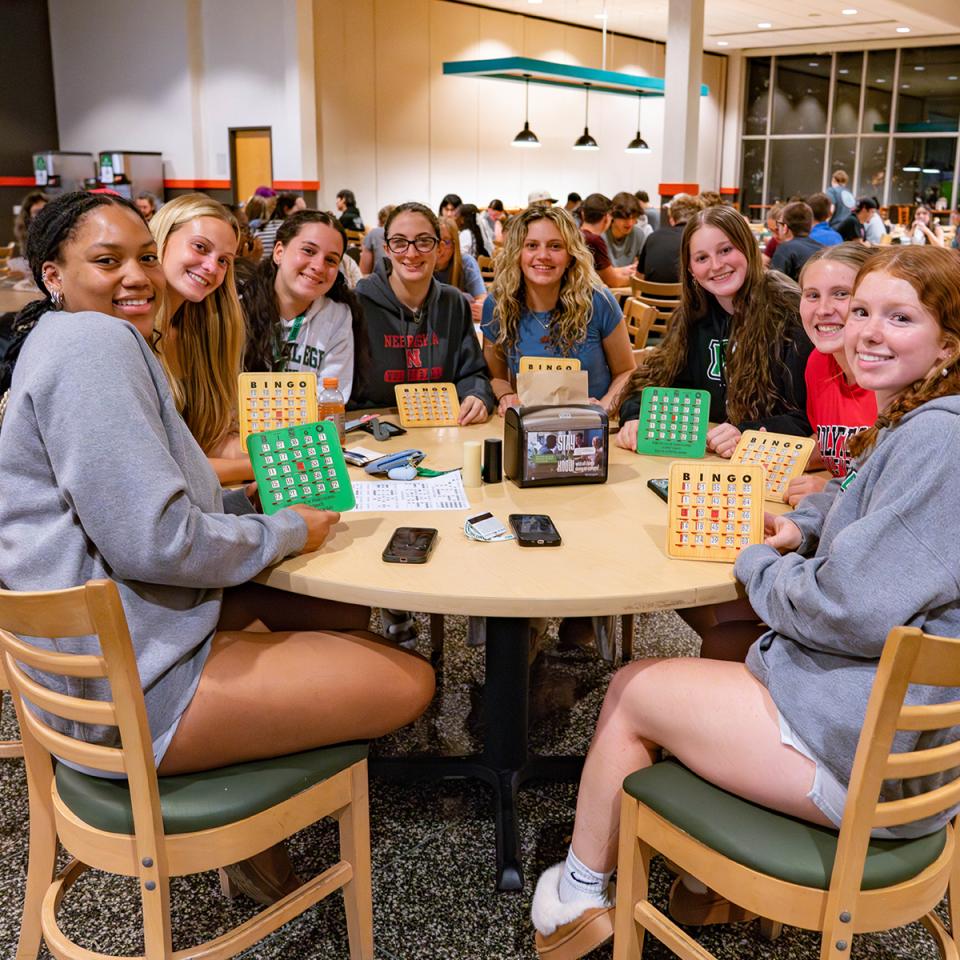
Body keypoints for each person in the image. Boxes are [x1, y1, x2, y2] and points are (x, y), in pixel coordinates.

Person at [0, 190, 435, 903]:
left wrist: (242, 504)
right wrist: (288, 527)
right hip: (125, 689)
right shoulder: (97, 344)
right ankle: (251, 815)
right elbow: (158, 540)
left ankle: (256, 796)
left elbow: (130, 507)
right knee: (410, 682)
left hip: (94, 656)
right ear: (54, 273)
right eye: (107, 260)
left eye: (144, 257)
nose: (138, 276)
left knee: (343, 619)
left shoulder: (63, 339)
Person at [531, 243, 960, 959]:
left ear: (947, 343)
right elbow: (869, 509)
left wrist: (759, 561)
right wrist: (803, 526)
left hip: (863, 761)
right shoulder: (927, 421)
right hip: (896, 736)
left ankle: (574, 903)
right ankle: (707, 888)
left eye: (900, 318)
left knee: (634, 688)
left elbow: (847, 606)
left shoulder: (938, 438)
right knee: (725, 644)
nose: (866, 332)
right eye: (862, 311)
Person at [617, 204, 813, 457]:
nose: (716, 265)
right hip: (708, 463)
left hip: (769, 469)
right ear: (690, 269)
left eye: (726, 250)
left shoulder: (789, 313)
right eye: (701, 258)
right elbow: (658, 383)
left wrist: (746, 432)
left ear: (748, 248)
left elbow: (806, 417)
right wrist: (635, 416)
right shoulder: (694, 316)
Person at [481, 204, 635, 416]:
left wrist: (604, 407)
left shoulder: (598, 301)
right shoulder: (498, 305)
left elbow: (626, 371)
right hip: (531, 425)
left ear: (571, 254)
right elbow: (495, 377)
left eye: (555, 246)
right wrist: (505, 394)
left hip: (590, 426)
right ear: (518, 253)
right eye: (532, 246)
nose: (543, 255)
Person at [353, 201, 494, 422]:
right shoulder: (358, 304)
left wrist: (477, 395)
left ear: (439, 248)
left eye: (424, 241)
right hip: (376, 432)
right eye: (399, 242)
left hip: (440, 428)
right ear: (387, 249)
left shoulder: (453, 303)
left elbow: (473, 372)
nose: (412, 252)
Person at [150, 194, 250, 484]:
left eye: (223, 261)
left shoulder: (203, 333)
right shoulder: (126, 336)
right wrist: (259, 467)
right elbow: (158, 470)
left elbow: (209, 441)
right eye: (200, 247)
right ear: (160, 241)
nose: (211, 267)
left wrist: (288, 452)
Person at [239, 210, 369, 406]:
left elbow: (330, 398)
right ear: (279, 252)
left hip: (306, 433)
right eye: (308, 251)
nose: (318, 266)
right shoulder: (239, 307)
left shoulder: (338, 315)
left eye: (331, 260)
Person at [785, 243, 878, 506]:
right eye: (812, 295)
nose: (823, 309)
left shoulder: (894, 378)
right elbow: (833, 443)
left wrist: (831, 491)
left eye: (841, 294)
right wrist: (766, 454)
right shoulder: (818, 362)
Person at [635, 193, 703, 284]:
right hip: (684, 297)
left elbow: (639, 277)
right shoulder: (699, 239)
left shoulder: (653, 237)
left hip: (647, 297)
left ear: (672, 219)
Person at [435, 216, 486, 323]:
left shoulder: (466, 262)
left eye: (446, 241)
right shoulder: (422, 264)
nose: (440, 248)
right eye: (436, 241)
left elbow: (482, 299)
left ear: (455, 244)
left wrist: (480, 309)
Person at [578, 193, 635, 287]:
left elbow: (596, 271)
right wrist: (638, 279)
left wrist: (623, 270)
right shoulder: (595, 241)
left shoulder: (576, 235)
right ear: (607, 217)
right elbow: (613, 282)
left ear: (583, 214)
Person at [770, 201, 822, 281]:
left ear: (785, 228)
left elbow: (774, 285)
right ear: (810, 227)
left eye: (779, 225)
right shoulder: (823, 250)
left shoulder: (784, 249)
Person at [602, 192, 651, 268]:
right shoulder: (601, 236)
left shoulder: (639, 234)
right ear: (613, 216)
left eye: (634, 217)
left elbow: (641, 265)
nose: (630, 223)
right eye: (624, 218)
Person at [255, 192, 302, 260]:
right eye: (299, 211)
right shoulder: (289, 229)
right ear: (286, 209)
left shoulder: (260, 228)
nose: (302, 216)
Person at [359, 204, 394, 276]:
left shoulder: (374, 233)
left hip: (381, 283)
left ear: (380, 220)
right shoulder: (408, 234)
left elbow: (364, 272)